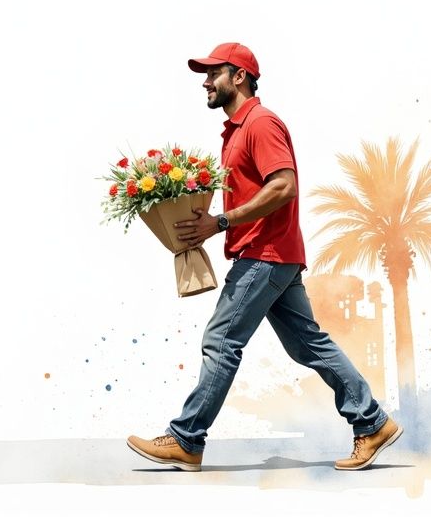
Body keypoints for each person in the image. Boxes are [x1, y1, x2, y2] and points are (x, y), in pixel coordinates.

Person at [126, 43, 403, 472]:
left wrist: (221, 222)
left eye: (213, 73)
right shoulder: (236, 130)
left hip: (265, 255)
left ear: (239, 76)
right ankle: (373, 423)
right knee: (308, 345)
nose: (205, 82)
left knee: (221, 341)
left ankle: (186, 439)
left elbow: (284, 186)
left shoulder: (260, 123)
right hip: (274, 255)